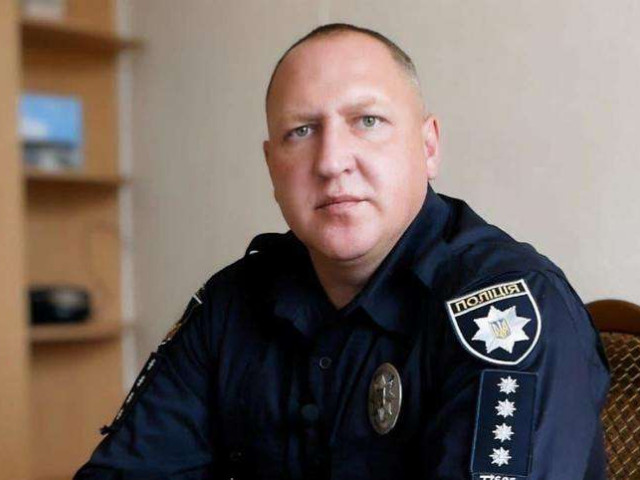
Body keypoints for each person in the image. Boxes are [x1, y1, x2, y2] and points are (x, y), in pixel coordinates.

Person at [74, 23, 610, 480]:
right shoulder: (232, 303)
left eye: (367, 121)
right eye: (301, 131)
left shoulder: (507, 314)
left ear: (428, 146)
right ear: (272, 167)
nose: (331, 161)